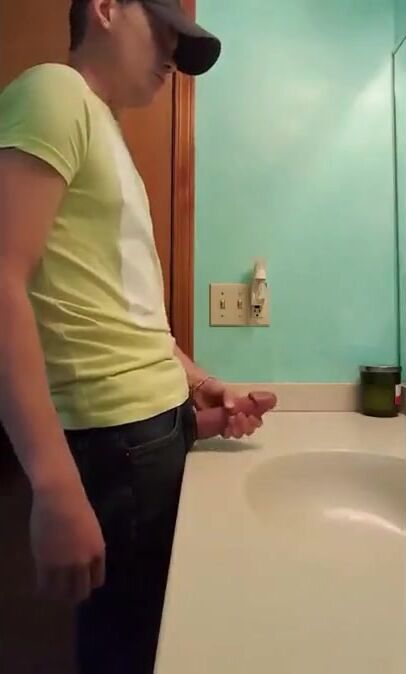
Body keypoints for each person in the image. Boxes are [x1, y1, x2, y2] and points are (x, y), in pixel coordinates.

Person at [0, 1, 264, 672]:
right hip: (112, 445)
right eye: (165, 32)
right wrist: (56, 486)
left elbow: (131, 317)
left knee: (153, 642)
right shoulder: (55, 93)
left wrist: (202, 388)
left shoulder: (105, 129)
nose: (173, 59)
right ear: (107, 9)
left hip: (148, 435)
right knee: (128, 653)